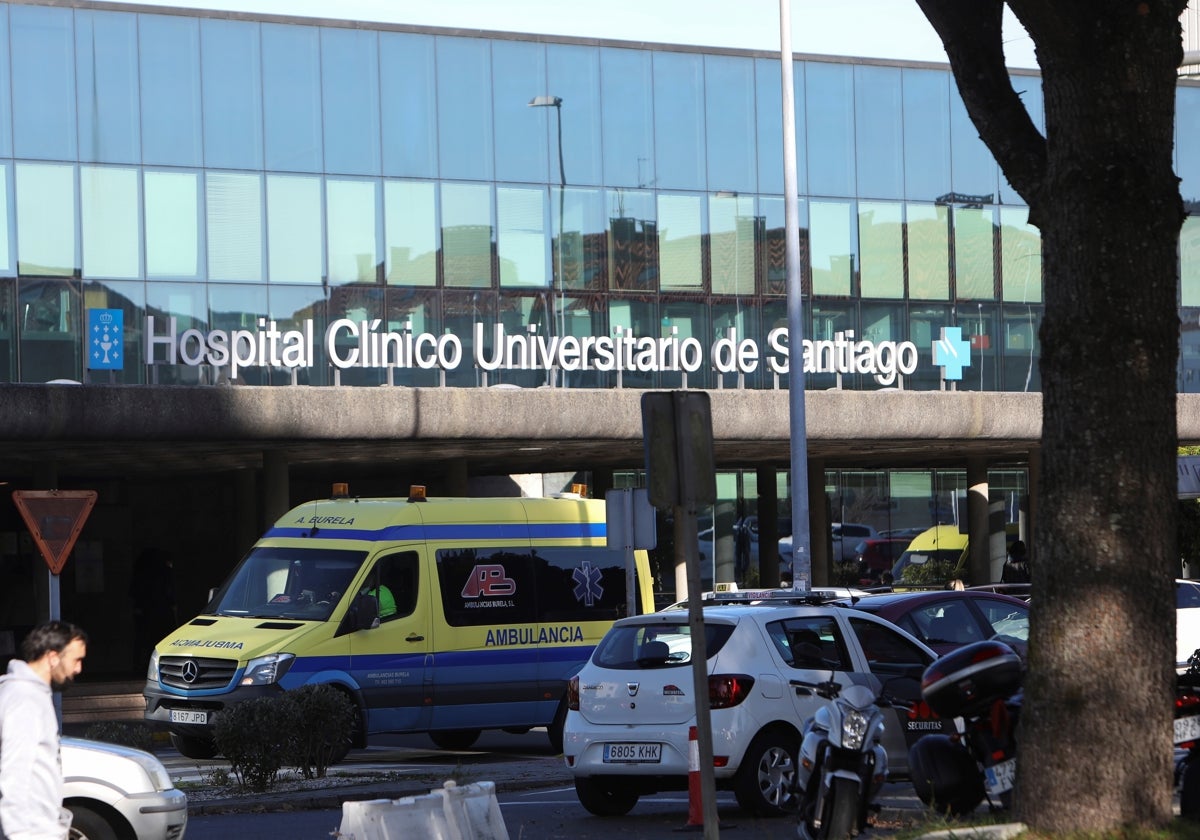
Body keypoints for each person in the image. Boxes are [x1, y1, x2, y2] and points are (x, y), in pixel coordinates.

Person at [0, 620, 88, 840]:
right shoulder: (25, 699)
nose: (79, 668)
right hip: (30, 830)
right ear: (52, 657)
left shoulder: (26, 693)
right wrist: (21, 833)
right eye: (76, 660)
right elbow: (15, 768)